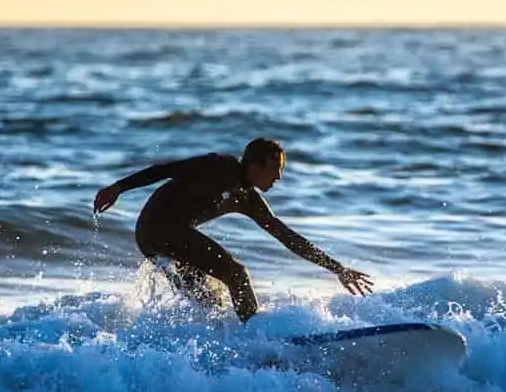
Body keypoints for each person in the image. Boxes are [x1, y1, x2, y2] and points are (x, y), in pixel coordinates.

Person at [92, 138, 373, 322]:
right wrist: (119, 187)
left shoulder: (249, 199)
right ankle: (257, 336)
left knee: (212, 301)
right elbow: (166, 169)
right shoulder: (217, 166)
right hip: (158, 228)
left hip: (161, 238)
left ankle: (221, 351)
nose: (279, 177)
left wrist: (336, 268)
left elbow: (286, 236)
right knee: (236, 273)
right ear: (255, 164)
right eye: (276, 168)